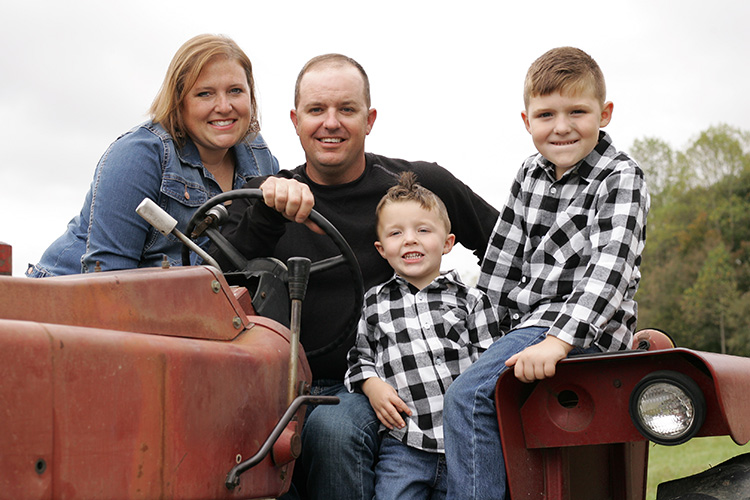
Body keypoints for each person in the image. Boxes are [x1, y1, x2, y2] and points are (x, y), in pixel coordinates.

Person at [214, 54, 499, 500]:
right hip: (291, 383)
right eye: (316, 110)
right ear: (295, 120)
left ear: (369, 119)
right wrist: (267, 213)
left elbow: (509, 250)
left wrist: (517, 331)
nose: (331, 123)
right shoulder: (271, 199)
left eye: (347, 110)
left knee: (332, 428)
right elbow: (214, 274)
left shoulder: (415, 187)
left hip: (391, 378)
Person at [442, 46, 650, 499]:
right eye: (546, 114)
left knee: (470, 398)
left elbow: (612, 267)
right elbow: (500, 265)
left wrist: (559, 339)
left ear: (605, 113)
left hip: (586, 331)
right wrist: (474, 344)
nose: (561, 127)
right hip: (528, 331)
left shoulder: (619, 176)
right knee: (460, 383)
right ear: (526, 121)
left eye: (577, 111)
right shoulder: (529, 174)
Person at [26, 34, 278, 277]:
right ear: (179, 101)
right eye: (205, 93)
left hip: (184, 305)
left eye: (235, 91)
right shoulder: (139, 156)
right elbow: (108, 276)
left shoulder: (259, 158)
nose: (224, 106)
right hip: (70, 303)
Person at [344, 172, 502, 499]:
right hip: (405, 444)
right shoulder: (374, 302)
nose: (410, 240)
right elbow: (359, 358)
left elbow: (491, 367)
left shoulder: (471, 300)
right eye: (396, 233)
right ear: (381, 248)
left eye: (423, 230)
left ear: (447, 243)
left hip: (467, 444)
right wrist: (372, 385)